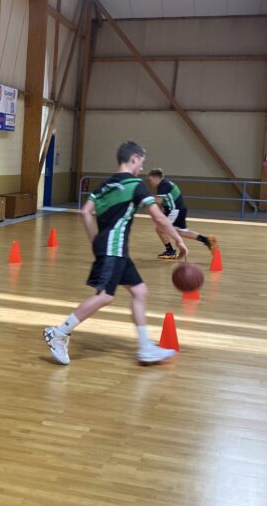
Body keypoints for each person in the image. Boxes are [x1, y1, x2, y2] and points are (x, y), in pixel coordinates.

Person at [43, 141, 188, 366]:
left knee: (139, 291)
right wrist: (178, 240)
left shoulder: (105, 185)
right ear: (133, 159)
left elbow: (86, 212)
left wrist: (95, 241)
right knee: (105, 296)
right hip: (114, 248)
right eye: (141, 162)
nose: (142, 168)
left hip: (113, 248)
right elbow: (158, 217)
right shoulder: (135, 185)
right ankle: (59, 333)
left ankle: (145, 347)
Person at [145, 168, 218, 259]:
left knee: (160, 229)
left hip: (174, 211)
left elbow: (159, 201)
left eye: (150, 180)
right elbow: (166, 201)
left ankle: (170, 251)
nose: (150, 182)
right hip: (180, 210)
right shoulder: (166, 184)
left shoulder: (163, 185)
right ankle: (207, 240)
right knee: (182, 232)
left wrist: (145, 198)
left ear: (156, 178)